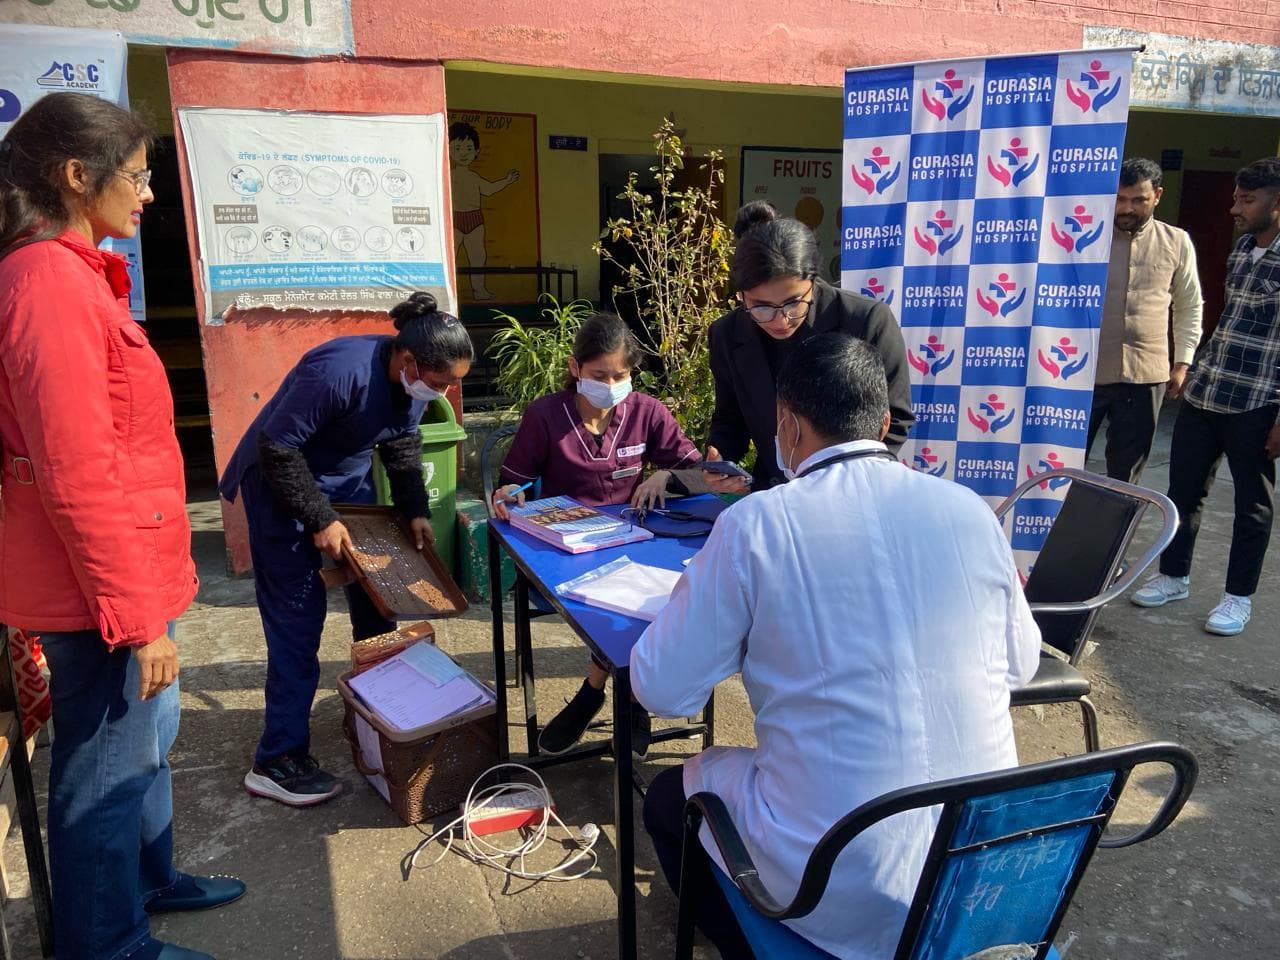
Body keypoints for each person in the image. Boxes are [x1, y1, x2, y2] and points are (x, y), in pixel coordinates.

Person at [633, 335, 1039, 959]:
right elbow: (1021, 665)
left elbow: (661, 688)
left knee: (670, 799)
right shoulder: (969, 511)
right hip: (980, 872)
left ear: (787, 426)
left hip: (838, 876)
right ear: (882, 424)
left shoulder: (757, 524)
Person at [0, 92, 244, 960]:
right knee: (104, 767)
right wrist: (138, 620)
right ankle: (105, 943)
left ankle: (147, 880)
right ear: (77, 175)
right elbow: (75, 471)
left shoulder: (76, 274)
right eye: (136, 177)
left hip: (129, 572)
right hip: (98, 595)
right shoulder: (46, 283)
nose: (148, 195)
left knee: (146, 746)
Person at [219, 291, 474, 805]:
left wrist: (414, 509)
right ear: (408, 361)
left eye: (451, 383)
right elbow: (278, 448)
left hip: (348, 487)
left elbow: (402, 445)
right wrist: (320, 518)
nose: (442, 391)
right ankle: (277, 758)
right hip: (279, 486)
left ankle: (377, 714)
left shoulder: (413, 383)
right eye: (439, 381)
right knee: (297, 623)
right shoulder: (339, 372)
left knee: (379, 605)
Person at [490, 311, 710, 756]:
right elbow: (513, 483)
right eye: (599, 375)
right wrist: (510, 494)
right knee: (626, 607)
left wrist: (665, 475)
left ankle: (597, 691)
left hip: (634, 539)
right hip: (564, 552)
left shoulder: (647, 411)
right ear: (575, 368)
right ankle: (630, 699)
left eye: (620, 375)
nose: (610, 385)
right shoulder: (545, 415)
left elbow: (697, 472)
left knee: (659, 594)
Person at [1132, 157, 1280, 637]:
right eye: (1236, 197)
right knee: (1184, 491)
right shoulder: (1243, 249)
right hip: (1208, 390)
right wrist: (1193, 371)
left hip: (1257, 402)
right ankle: (1174, 576)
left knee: (1251, 506)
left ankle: (1238, 598)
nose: (1235, 208)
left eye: (1247, 200)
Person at [704, 201, 913, 489]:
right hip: (774, 490)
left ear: (812, 282)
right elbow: (730, 418)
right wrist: (720, 456)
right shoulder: (727, 334)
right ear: (741, 295)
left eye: (793, 303)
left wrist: (837, 480)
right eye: (761, 307)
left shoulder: (865, 321)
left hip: (852, 488)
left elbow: (895, 417)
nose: (781, 320)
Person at [1087, 157, 1203, 483]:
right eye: (1120, 199)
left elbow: (1189, 304)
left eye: (1138, 200)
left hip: (1145, 375)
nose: (1127, 208)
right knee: (1063, 463)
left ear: (1158, 196)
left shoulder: (1176, 241)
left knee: (1127, 474)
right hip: (1084, 372)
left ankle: (1120, 519)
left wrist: (1182, 362)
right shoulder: (1085, 239)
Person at [448, 121, 519, 301]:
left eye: (469, 148)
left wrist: (506, 181)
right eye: (457, 148)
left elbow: (488, 189)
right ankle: (448, 292)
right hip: (454, 219)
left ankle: (479, 290)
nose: (463, 153)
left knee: (478, 257)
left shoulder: (474, 177)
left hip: (475, 220)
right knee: (450, 257)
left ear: (476, 151)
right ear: (448, 150)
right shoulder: (448, 176)